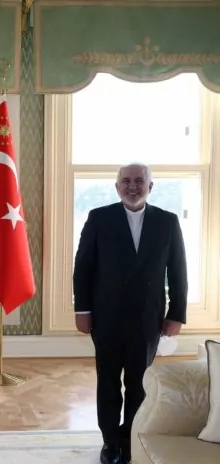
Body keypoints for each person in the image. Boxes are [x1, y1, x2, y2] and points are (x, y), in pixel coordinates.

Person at [73, 162, 187, 464]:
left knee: (139, 385)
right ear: (117, 186)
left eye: (139, 181)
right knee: (108, 382)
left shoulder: (168, 221)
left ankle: (130, 440)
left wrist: (176, 314)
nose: (132, 186)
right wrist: (82, 309)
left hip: (148, 319)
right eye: (126, 181)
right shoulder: (99, 218)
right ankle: (110, 443)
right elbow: (83, 268)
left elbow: (178, 271)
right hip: (106, 317)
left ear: (150, 186)